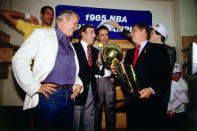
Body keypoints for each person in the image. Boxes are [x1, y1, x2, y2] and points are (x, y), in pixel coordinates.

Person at [12, 10, 83, 130]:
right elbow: (19, 59)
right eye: (75, 23)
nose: (76, 28)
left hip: (69, 97)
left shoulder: (70, 44)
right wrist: (35, 86)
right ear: (64, 20)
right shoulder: (41, 34)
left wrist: (78, 83)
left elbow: (71, 69)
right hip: (50, 96)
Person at [111, 22, 172, 129]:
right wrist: (117, 72)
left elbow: (165, 76)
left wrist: (152, 89)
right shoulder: (130, 53)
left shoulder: (158, 50)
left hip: (150, 105)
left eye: (134, 30)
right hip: (132, 104)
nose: (131, 33)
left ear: (144, 31)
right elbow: (126, 77)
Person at [72, 24, 98, 131]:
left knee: (89, 120)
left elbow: (96, 71)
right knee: (75, 121)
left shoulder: (95, 51)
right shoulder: (73, 48)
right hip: (77, 89)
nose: (94, 35)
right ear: (83, 33)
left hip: (92, 89)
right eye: (91, 32)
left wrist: (101, 65)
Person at [94, 25, 116, 131]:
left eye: (106, 35)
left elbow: (120, 67)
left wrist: (115, 76)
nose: (104, 37)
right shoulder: (93, 50)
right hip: (96, 81)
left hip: (108, 81)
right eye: (102, 35)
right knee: (96, 110)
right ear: (97, 37)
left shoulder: (113, 50)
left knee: (110, 109)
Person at [167, 63, 189, 127]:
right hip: (171, 112)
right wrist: (168, 110)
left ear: (180, 73)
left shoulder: (183, 82)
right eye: (173, 73)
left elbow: (187, 96)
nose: (176, 75)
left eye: (177, 73)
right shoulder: (168, 83)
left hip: (182, 111)